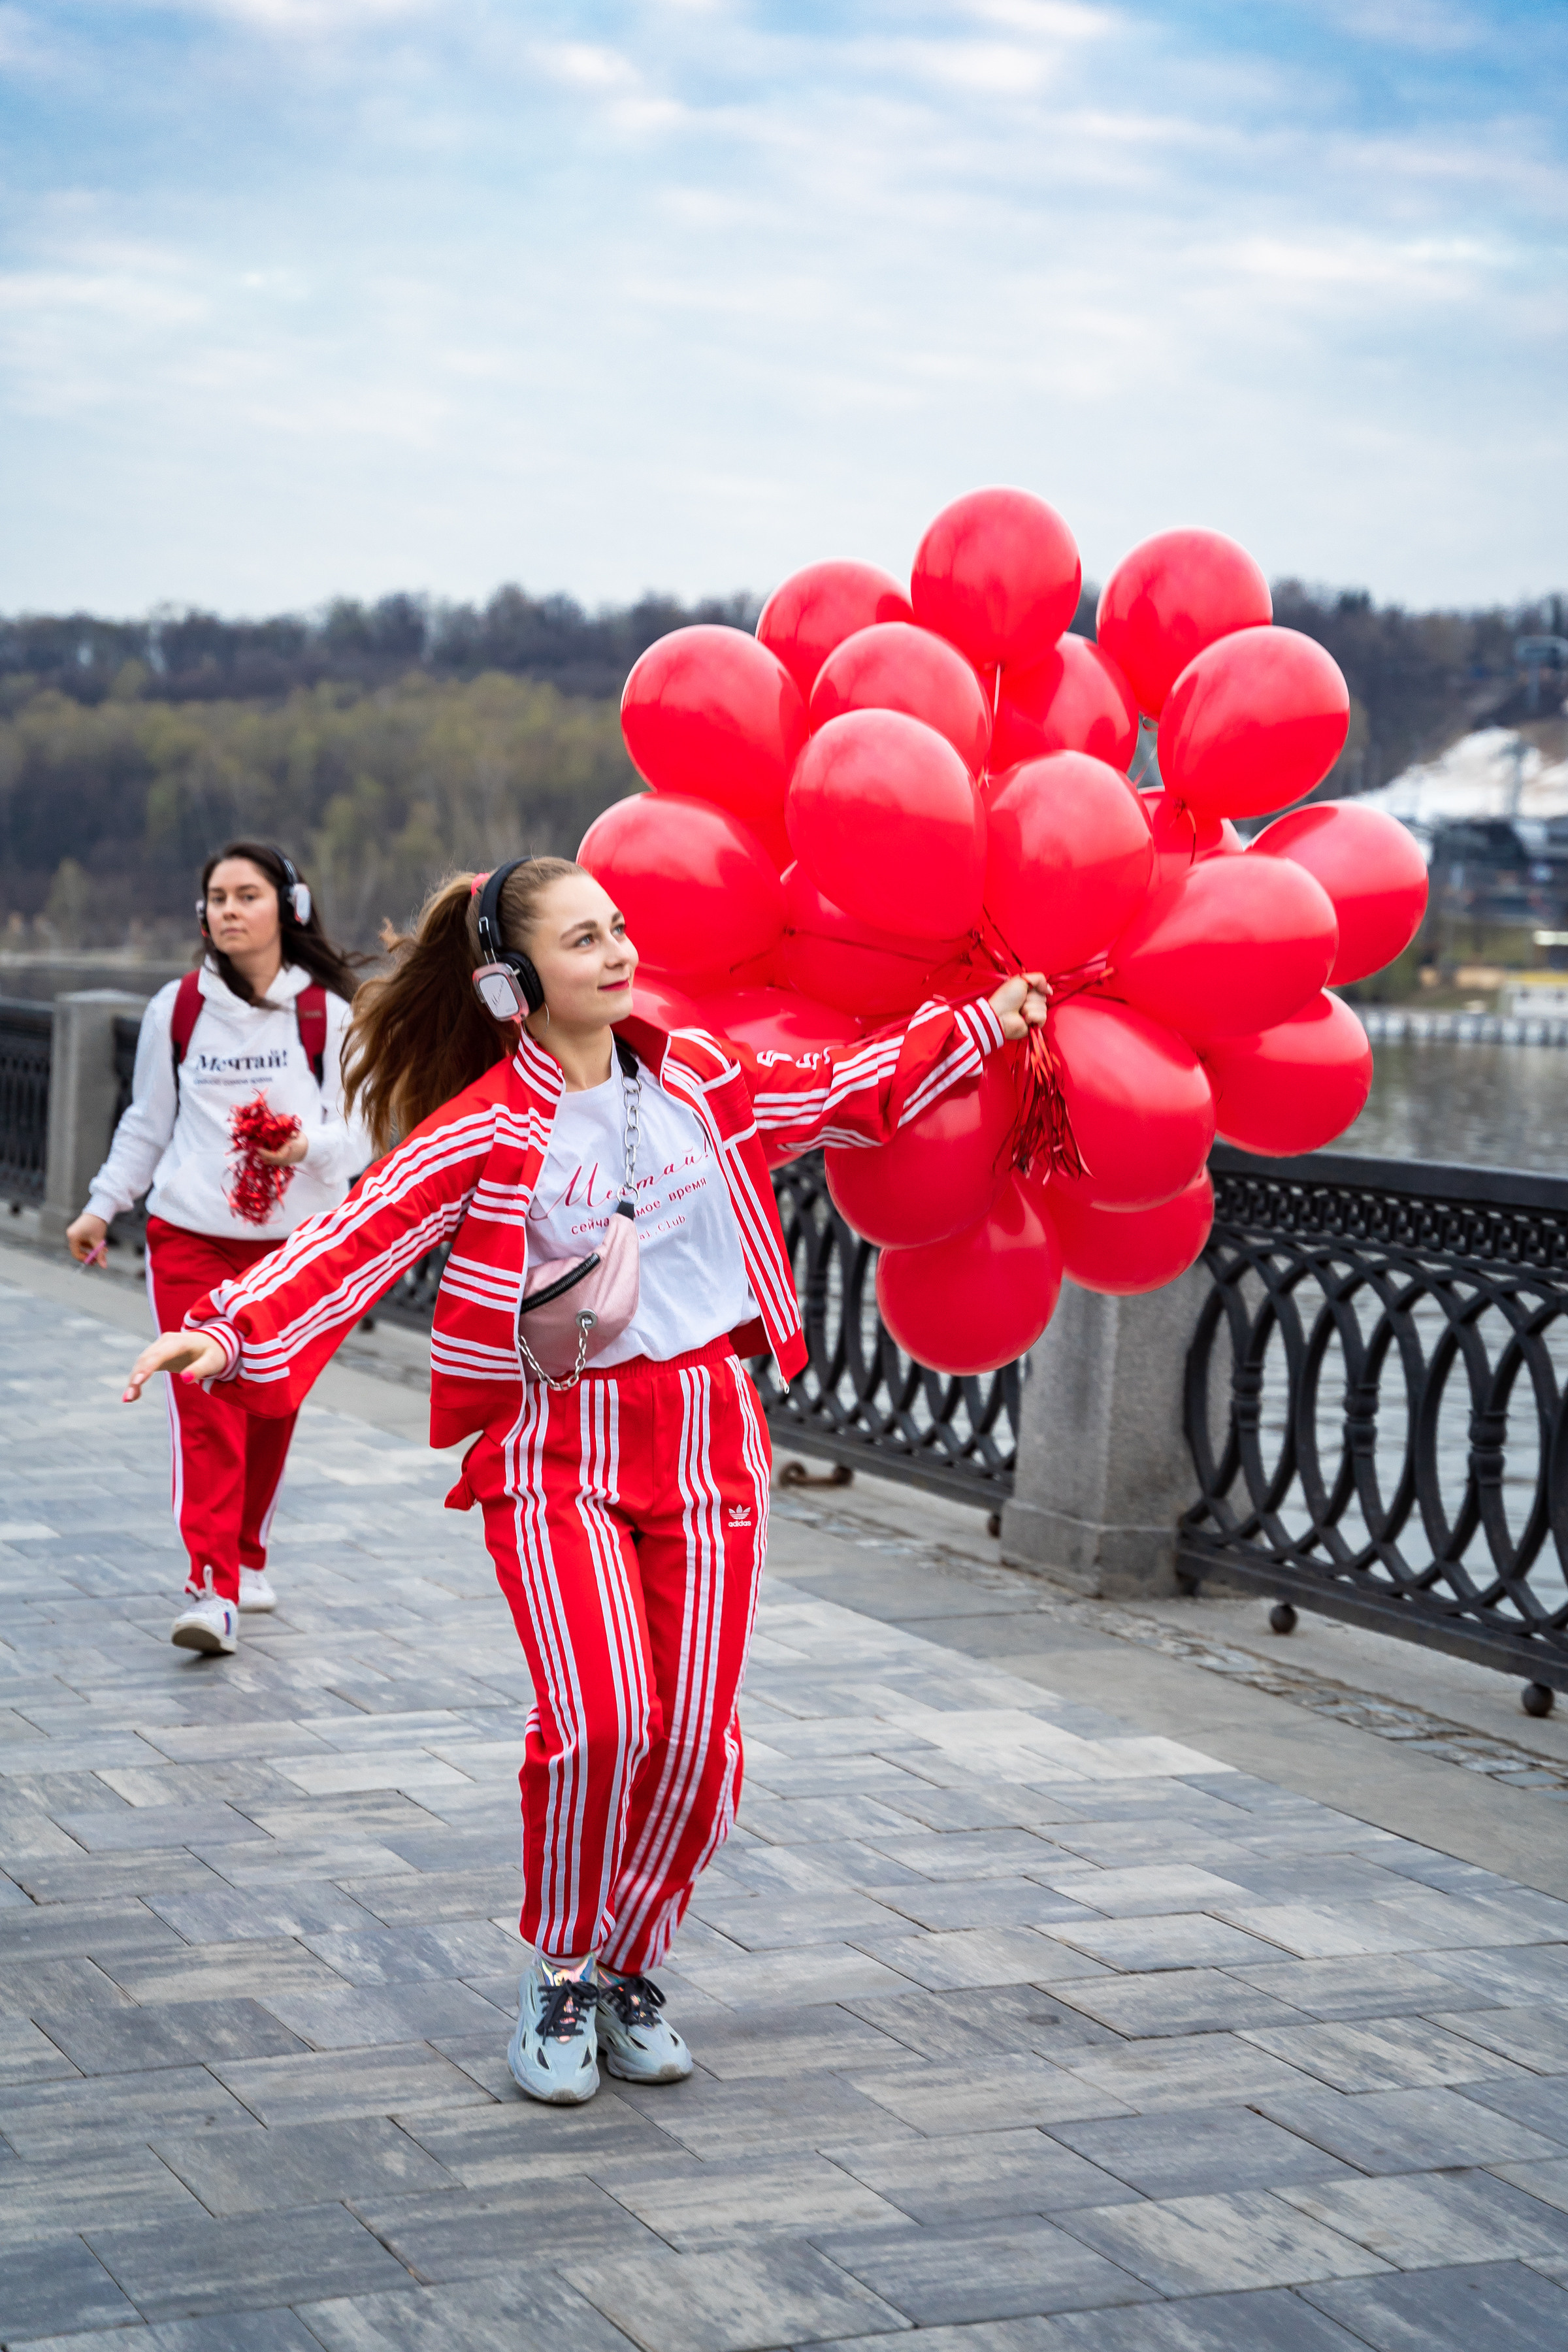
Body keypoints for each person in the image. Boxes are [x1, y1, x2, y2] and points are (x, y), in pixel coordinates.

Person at [122, 856, 1048, 2103]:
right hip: (560, 1447)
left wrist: (981, 1024)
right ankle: (557, 1969)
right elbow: (363, 1228)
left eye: (618, 931)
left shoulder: (699, 1081)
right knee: (603, 1722)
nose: (616, 956)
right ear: (514, 982)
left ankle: (628, 1964)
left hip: (711, 1432)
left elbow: (839, 1091)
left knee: (698, 1748)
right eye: (580, 942)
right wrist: (227, 1327)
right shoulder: (488, 1125)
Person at [70, 841, 365, 1657]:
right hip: (192, 1237)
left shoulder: (329, 1018)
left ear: (289, 910)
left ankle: (246, 1551)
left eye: (247, 895)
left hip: (297, 1252)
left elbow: (361, 1138)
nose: (228, 910)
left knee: (271, 1402)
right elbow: (147, 1121)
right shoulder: (179, 1009)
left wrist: (301, 1149)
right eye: (216, 897)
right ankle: (212, 1586)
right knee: (203, 1409)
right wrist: (102, 1205)